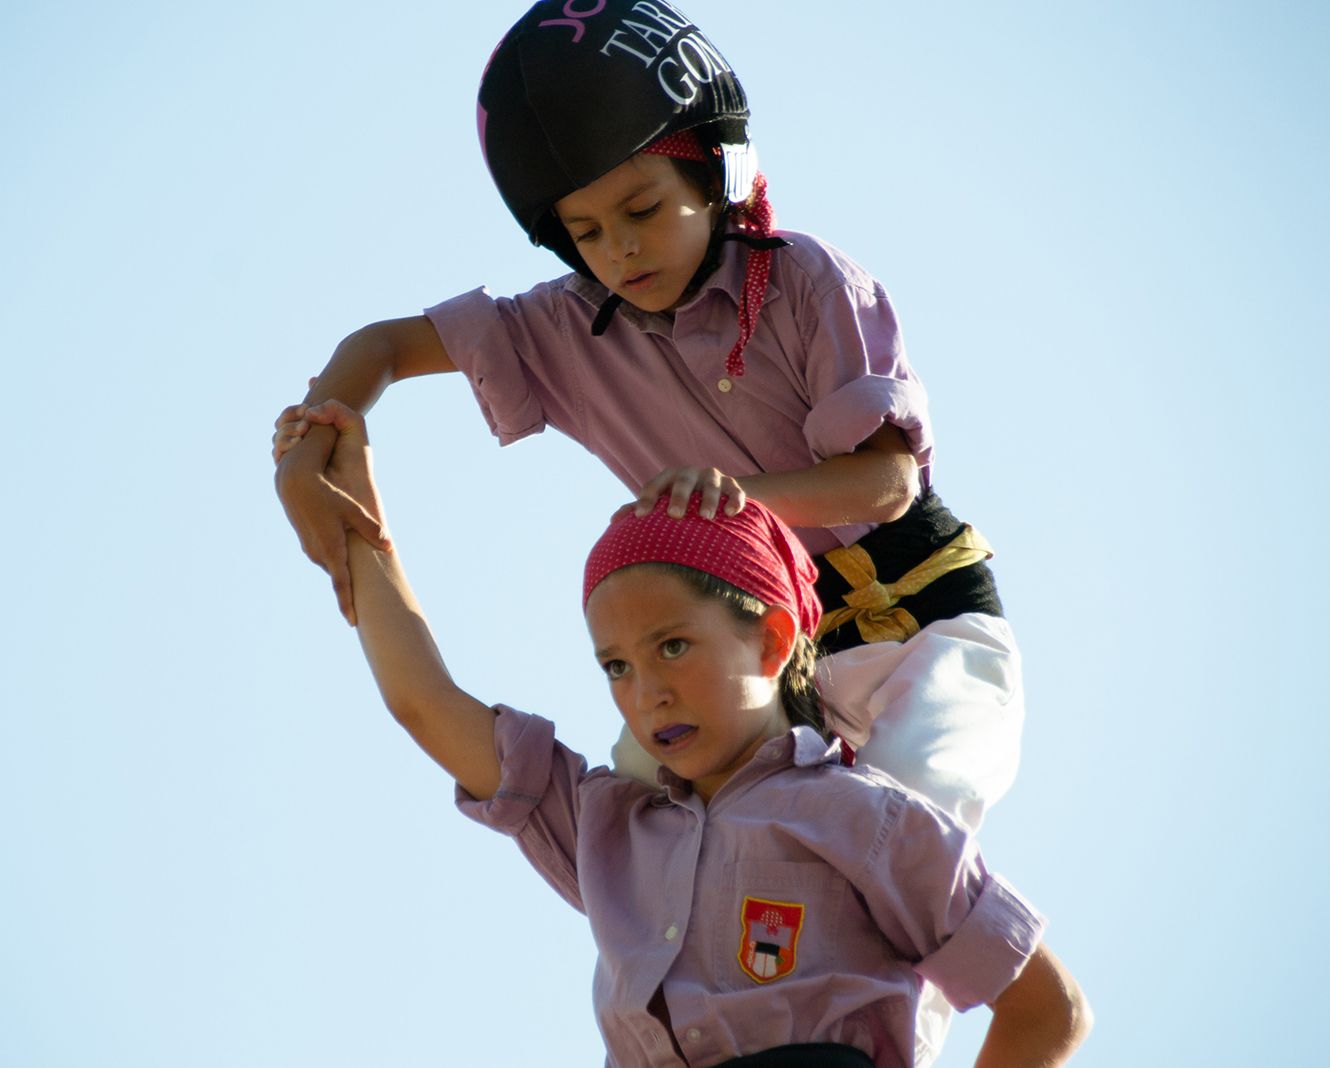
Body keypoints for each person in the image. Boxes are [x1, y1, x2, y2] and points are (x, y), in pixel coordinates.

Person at [274, 5, 1022, 1057]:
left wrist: (746, 497)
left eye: (642, 208)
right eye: (586, 231)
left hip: (919, 627)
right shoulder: (561, 330)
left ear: (715, 171)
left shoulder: (806, 280)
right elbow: (384, 346)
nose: (619, 251)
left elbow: (889, 480)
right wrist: (319, 435)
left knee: (903, 832)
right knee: (648, 852)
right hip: (749, 672)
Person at [282, 399, 1090, 1068]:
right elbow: (424, 701)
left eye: (673, 646)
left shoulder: (873, 819)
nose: (647, 691)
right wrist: (357, 525)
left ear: (772, 641)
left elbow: (1047, 1011)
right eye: (616, 667)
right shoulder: (606, 829)